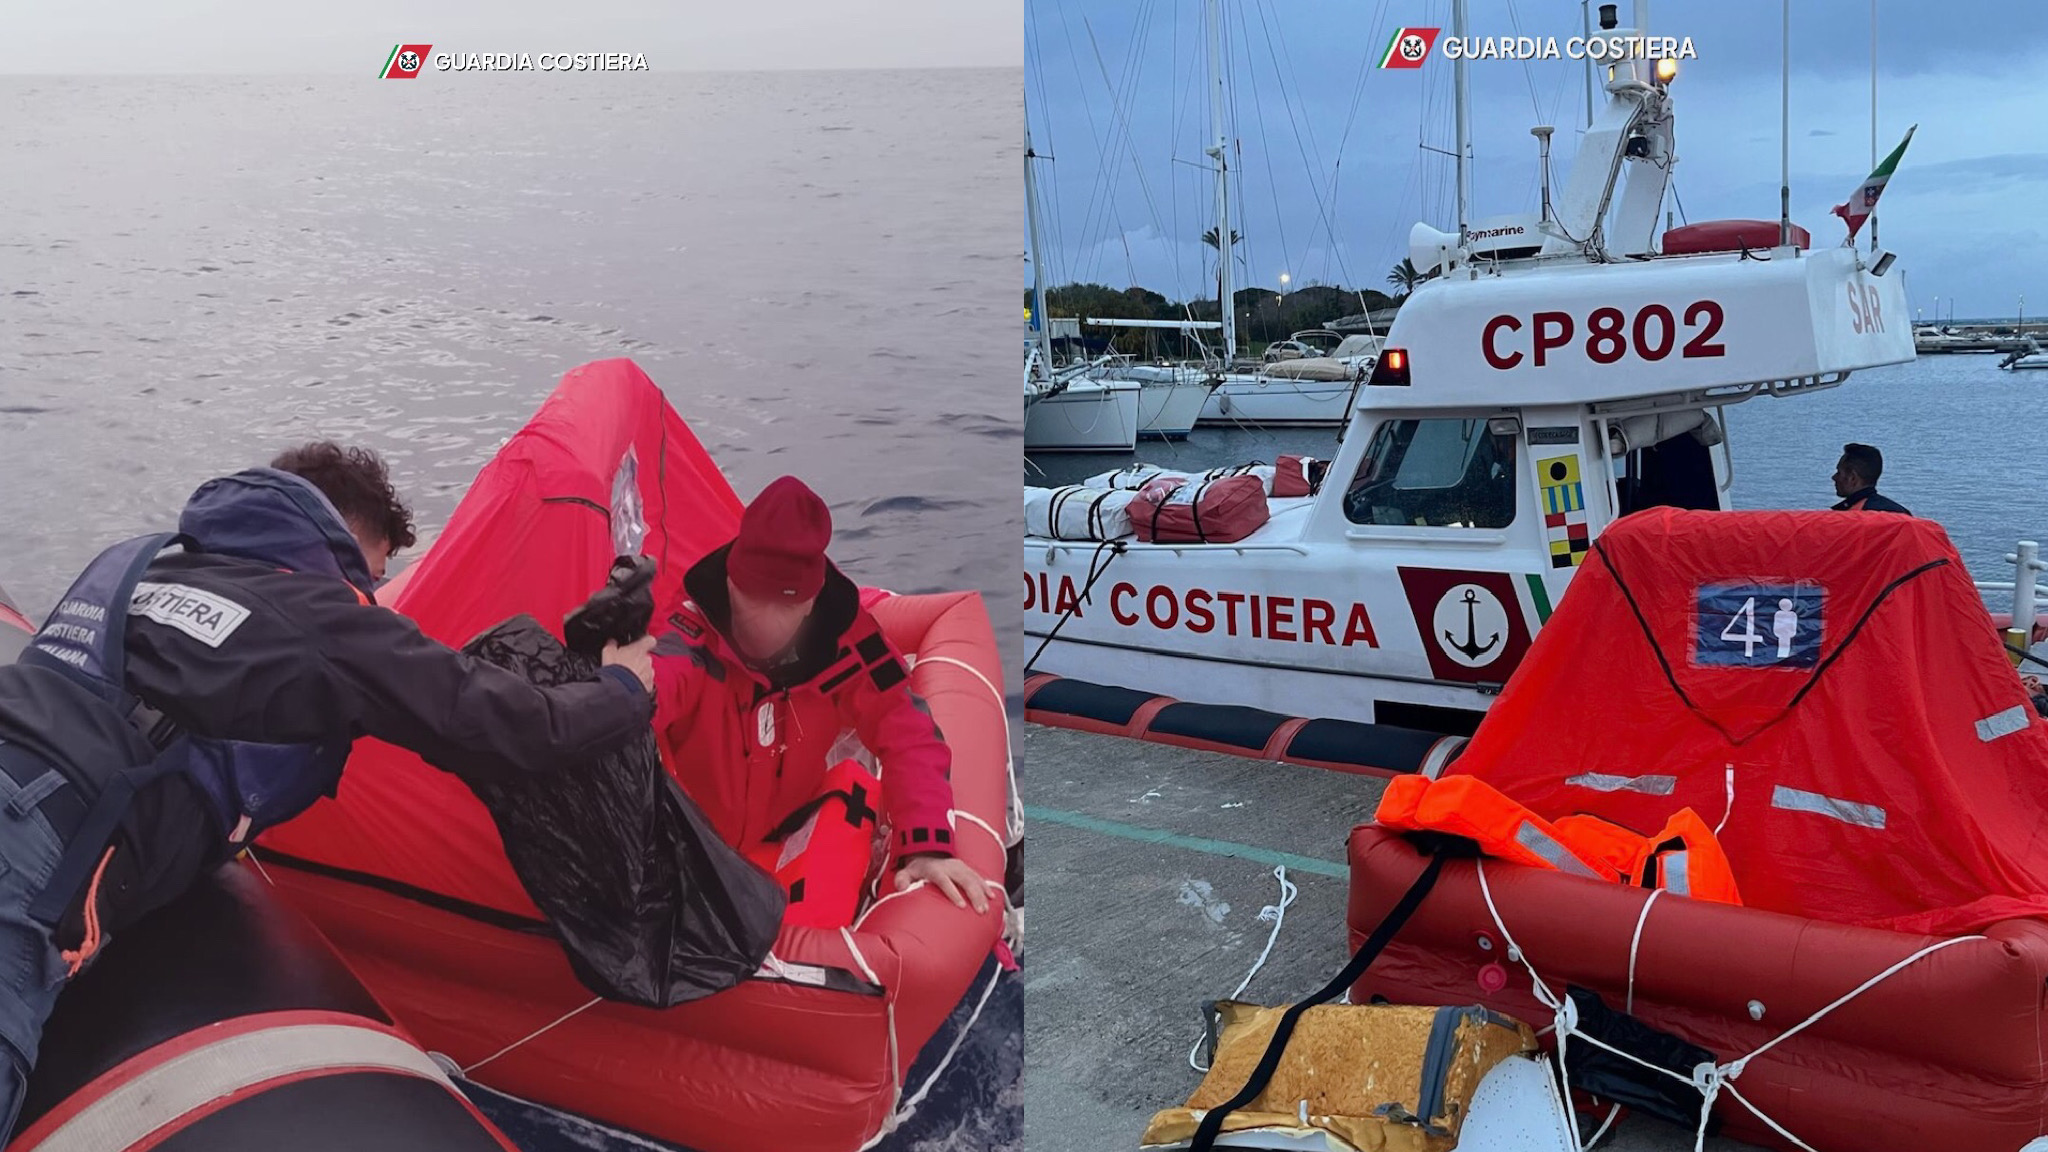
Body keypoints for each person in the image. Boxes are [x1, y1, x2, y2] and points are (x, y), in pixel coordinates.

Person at [0, 441, 657, 1140]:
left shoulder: (142, 564)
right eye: (371, 570)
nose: (371, 592)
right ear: (339, 537)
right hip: (37, 842)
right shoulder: (318, 616)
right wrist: (621, 688)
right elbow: (513, 727)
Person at [650, 476, 989, 914]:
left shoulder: (849, 641)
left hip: (796, 826)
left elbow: (907, 729)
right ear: (731, 583)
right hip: (697, 845)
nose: (767, 624)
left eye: (786, 606)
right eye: (754, 599)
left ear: (810, 603)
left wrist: (927, 845)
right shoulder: (686, 638)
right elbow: (647, 690)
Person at [1831, 442, 1911, 514]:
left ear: (1852, 478)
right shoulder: (1902, 513)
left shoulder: (1851, 516)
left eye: (1839, 473)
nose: (1834, 477)